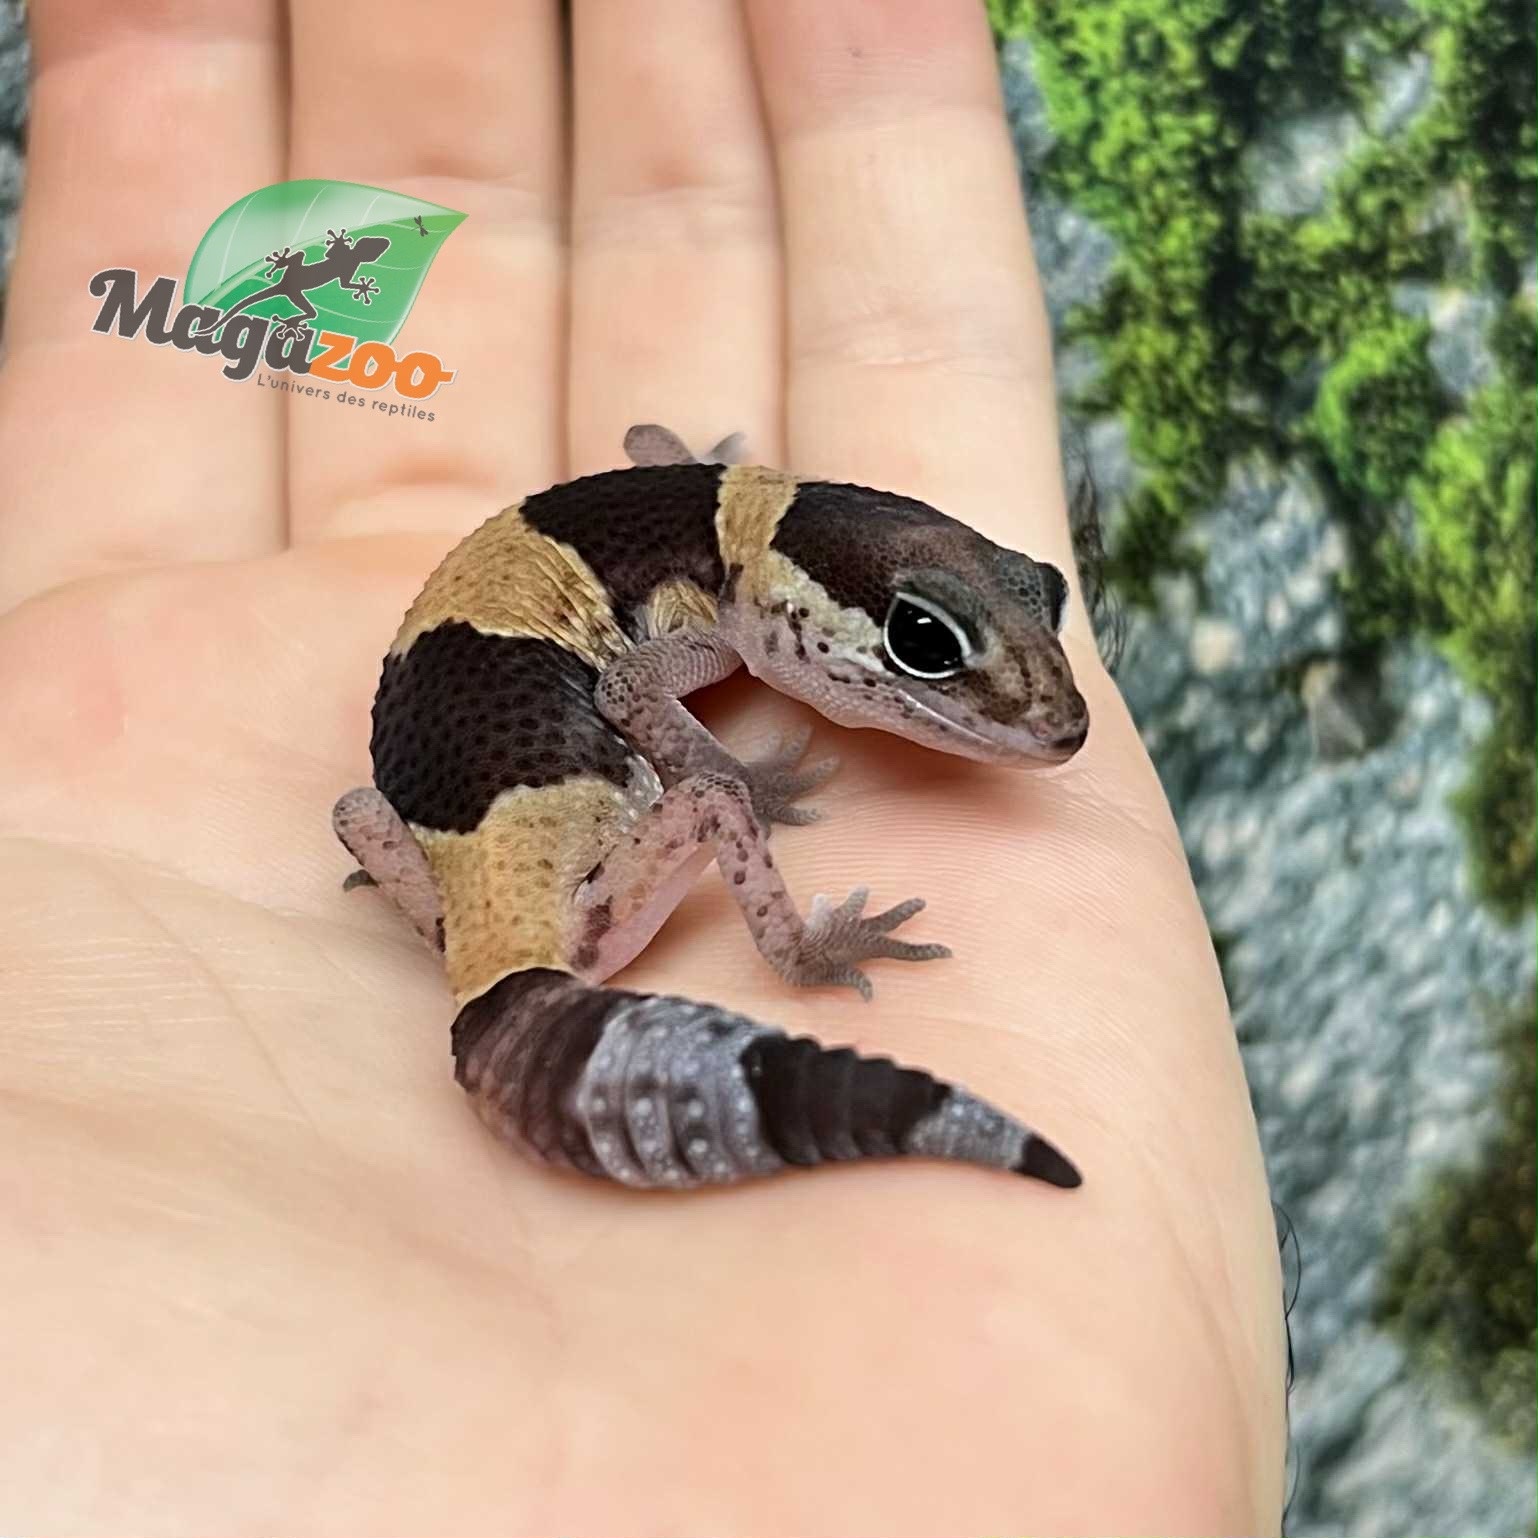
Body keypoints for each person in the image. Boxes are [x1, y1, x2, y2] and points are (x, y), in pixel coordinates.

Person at [0, 0, 1286, 1529]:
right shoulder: (690, 625)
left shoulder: (708, 573)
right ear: (785, 610)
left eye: (1018, 628)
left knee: (413, 805)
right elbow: (639, 686)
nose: (1025, 715)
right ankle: (788, 956)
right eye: (929, 654)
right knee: (707, 793)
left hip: (449, 881)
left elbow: (556, 654)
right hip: (564, 928)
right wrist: (783, 902)